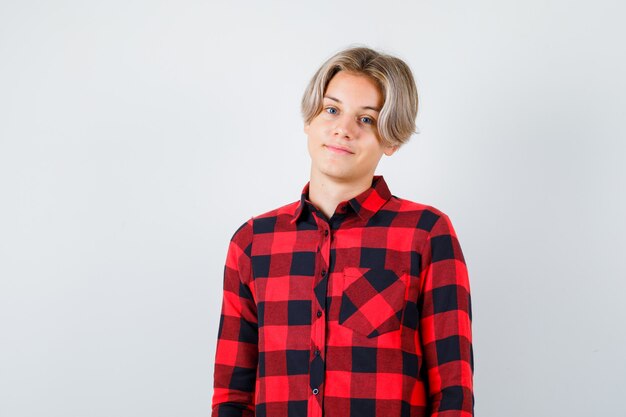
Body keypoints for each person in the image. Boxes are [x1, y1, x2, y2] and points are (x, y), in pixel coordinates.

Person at [211, 46, 474, 417]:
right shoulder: (253, 243)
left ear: (392, 140)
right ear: (309, 120)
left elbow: (452, 396)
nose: (343, 129)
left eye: (366, 119)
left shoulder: (425, 234)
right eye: (332, 110)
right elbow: (232, 396)